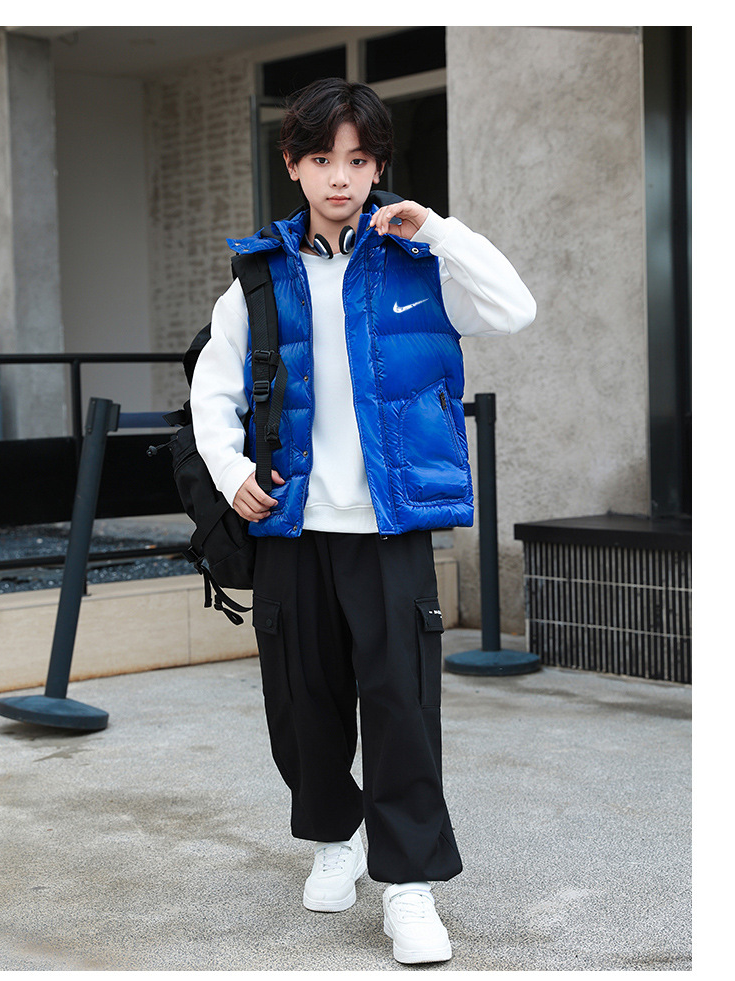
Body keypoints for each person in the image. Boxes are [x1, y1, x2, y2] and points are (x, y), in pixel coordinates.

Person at [191, 77, 536, 964]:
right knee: (300, 706)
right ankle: (334, 835)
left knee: (401, 707)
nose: (339, 177)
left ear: (379, 165)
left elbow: (515, 308)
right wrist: (232, 472)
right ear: (293, 166)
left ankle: (410, 887)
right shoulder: (259, 277)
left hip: (389, 527)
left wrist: (442, 231)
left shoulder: (419, 264)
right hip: (291, 526)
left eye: (357, 158)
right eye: (320, 158)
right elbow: (213, 389)